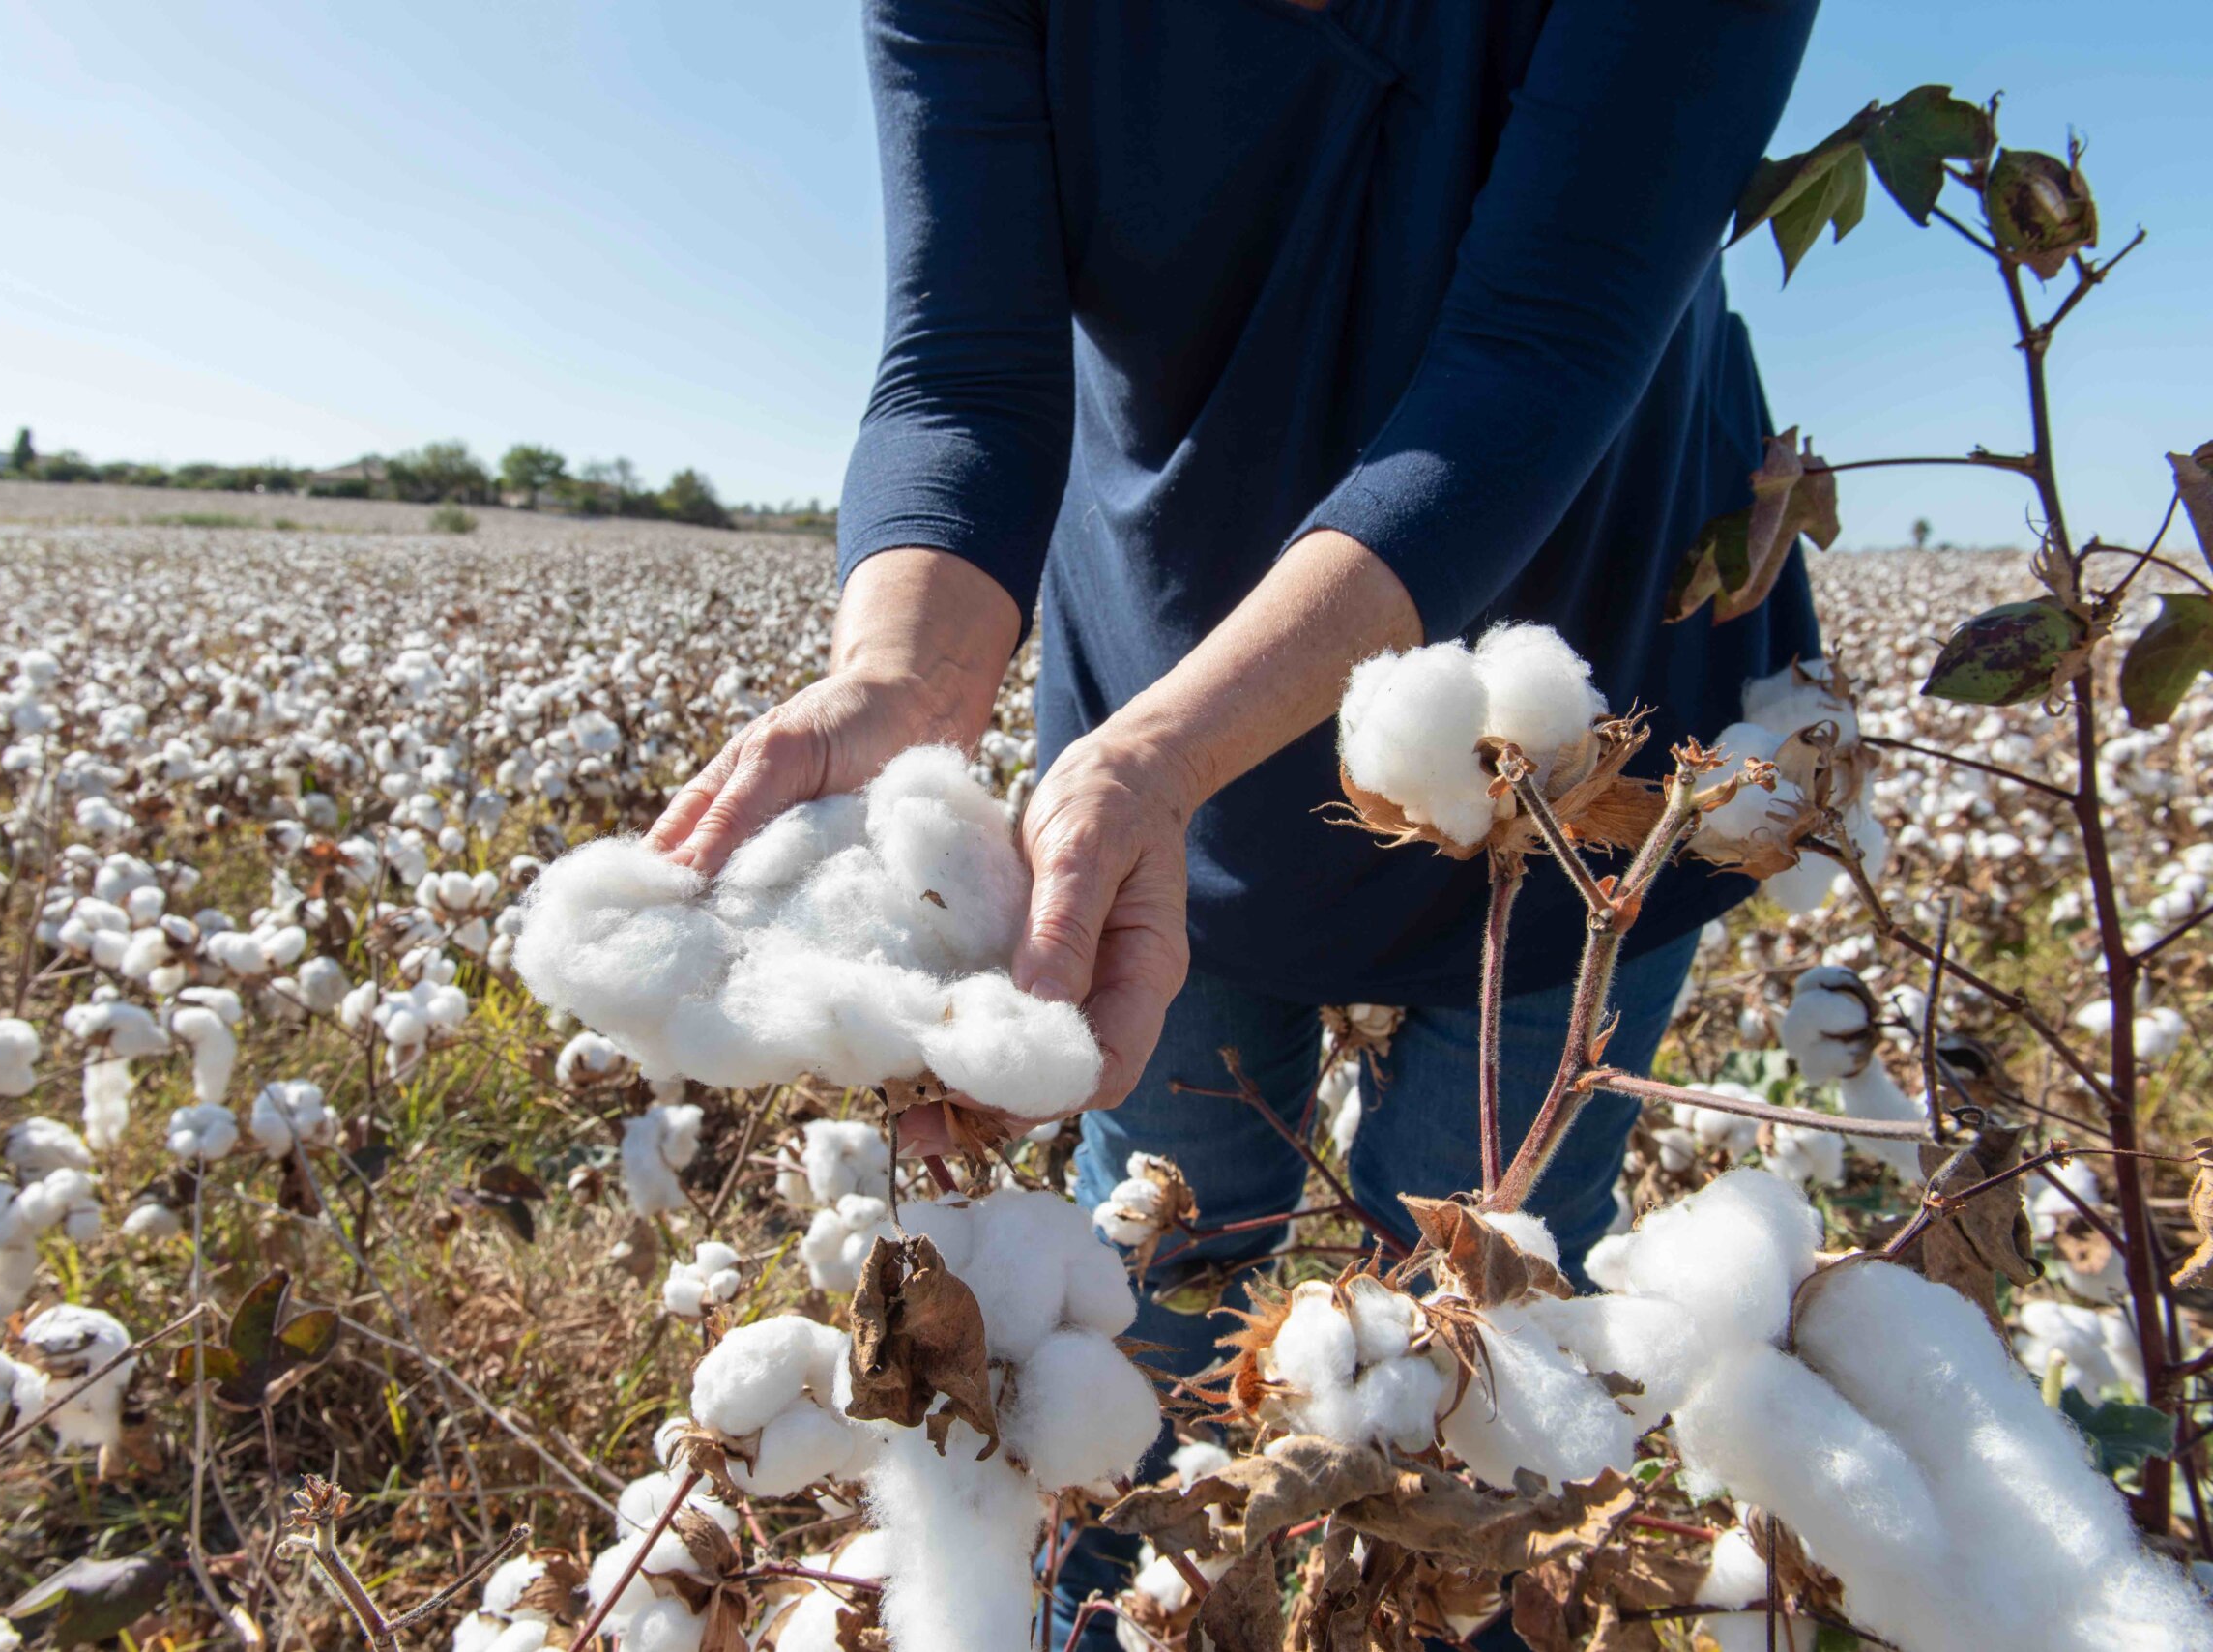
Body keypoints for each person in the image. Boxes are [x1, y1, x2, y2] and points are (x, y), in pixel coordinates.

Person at [649, 1, 1823, 1643]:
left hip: (1581, 732)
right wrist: (902, 687)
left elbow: (1544, 346)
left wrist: (1153, 756)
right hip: (1170, 704)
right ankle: (1149, 1604)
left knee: (1463, 1353)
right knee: (1164, 1286)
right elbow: (966, 365)